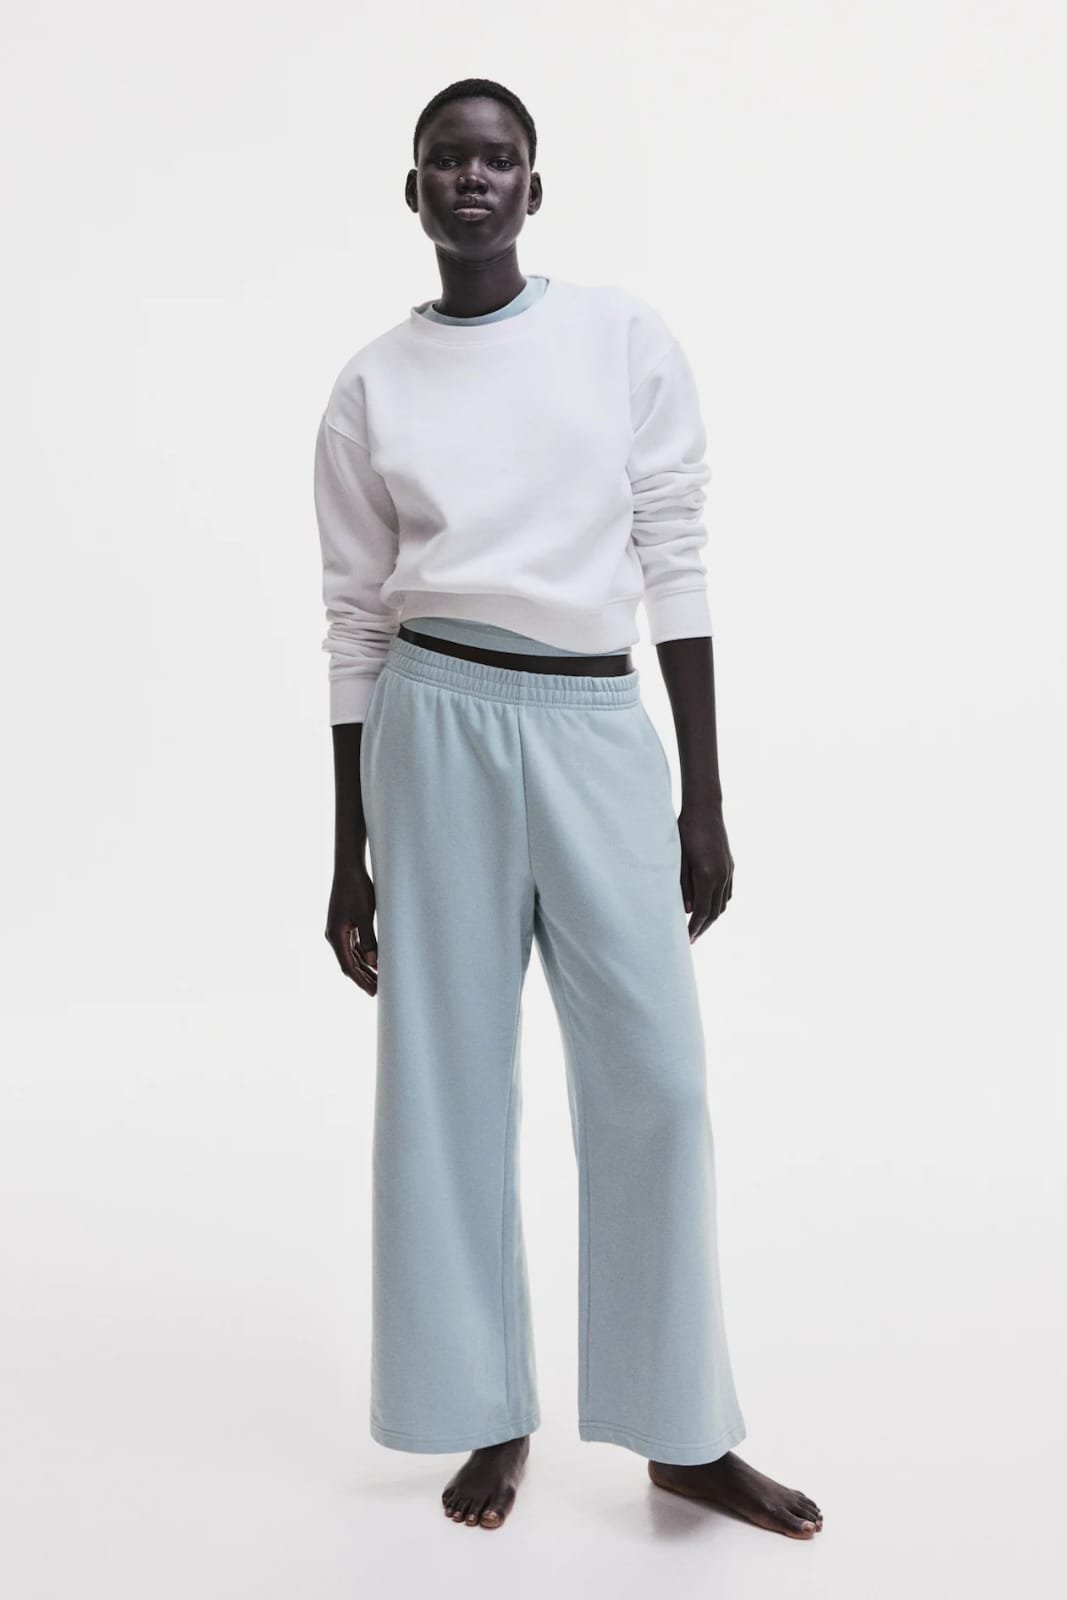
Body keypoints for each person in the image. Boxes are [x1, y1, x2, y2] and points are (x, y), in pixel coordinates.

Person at [313, 77, 823, 1540]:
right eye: (446, 160)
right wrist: (346, 849)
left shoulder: (619, 340)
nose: (472, 180)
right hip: (433, 724)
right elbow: (353, 619)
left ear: (535, 189)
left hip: (597, 724)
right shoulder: (371, 388)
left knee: (658, 1080)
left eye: (498, 160)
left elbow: (675, 552)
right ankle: (487, 1406)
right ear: (414, 192)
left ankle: (682, 1434)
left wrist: (704, 796)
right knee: (449, 1087)